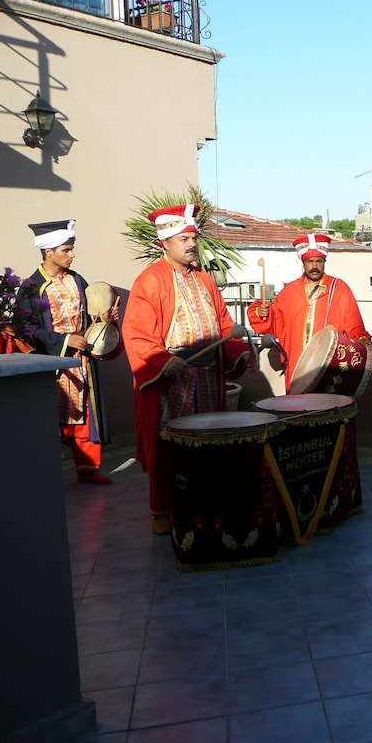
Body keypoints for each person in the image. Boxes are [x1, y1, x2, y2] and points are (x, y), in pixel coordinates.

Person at [123, 204, 250, 534]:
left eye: (193, 238)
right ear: (165, 243)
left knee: (208, 442)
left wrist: (237, 352)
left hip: (208, 376)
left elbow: (224, 324)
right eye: (184, 239)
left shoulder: (205, 279)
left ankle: (204, 502)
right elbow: (137, 333)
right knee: (170, 446)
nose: (192, 244)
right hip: (172, 381)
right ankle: (163, 509)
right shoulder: (150, 281)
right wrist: (164, 362)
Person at [22, 219, 120, 485]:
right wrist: (64, 340)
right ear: (48, 251)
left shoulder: (78, 280)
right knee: (51, 419)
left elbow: (87, 318)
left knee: (86, 415)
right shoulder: (31, 287)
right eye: (66, 250)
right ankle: (47, 475)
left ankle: (88, 470)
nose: (72, 255)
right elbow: (26, 329)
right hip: (52, 365)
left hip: (82, 361)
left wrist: (103, 319)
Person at [247, 233, 370, 390]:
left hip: (329, 363)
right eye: (310, 262)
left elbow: (354, 323)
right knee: (298, 403)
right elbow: (273, 320)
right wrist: (262, 312)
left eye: (319, 261)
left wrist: (362, 342)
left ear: (324, 263)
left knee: (328, 402)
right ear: (303, 263)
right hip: (297, 362)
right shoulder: (290, 291)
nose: (314, 266)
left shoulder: (339, 288)